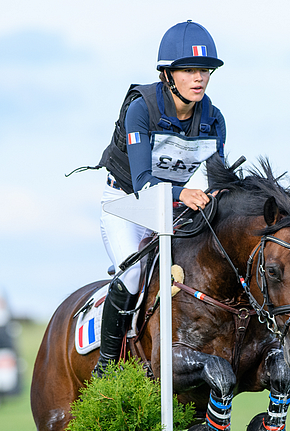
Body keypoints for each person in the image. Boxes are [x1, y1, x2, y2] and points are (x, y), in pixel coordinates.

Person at [93, 20, 226, 376]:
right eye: (189, 70)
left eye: (204, 71)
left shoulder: (214, 120)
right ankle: (107, 365)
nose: (199, 78)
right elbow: (142, 183)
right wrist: (184, 193)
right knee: (133, 275)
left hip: (174, 209)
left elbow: (216, 179)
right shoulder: (141, 109)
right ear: (168, 74)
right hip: (127, 205)